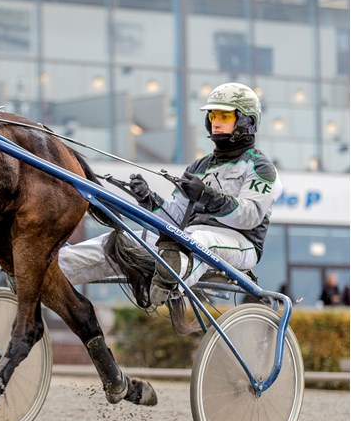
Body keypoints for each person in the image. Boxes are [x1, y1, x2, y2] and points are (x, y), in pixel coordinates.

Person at [60, 82, 282, 306]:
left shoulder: (260, 167)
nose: (215, 123)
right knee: (126, 239)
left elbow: (249, 216)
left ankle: (171, 282)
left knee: (200, 241)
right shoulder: (199, 166)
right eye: (213, 116)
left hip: (240, 244)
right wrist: (148, 199)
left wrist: (206, 195)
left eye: (224, 117)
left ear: (246, 121)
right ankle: (53, 269)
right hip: (186, 239)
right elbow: (175, 219)